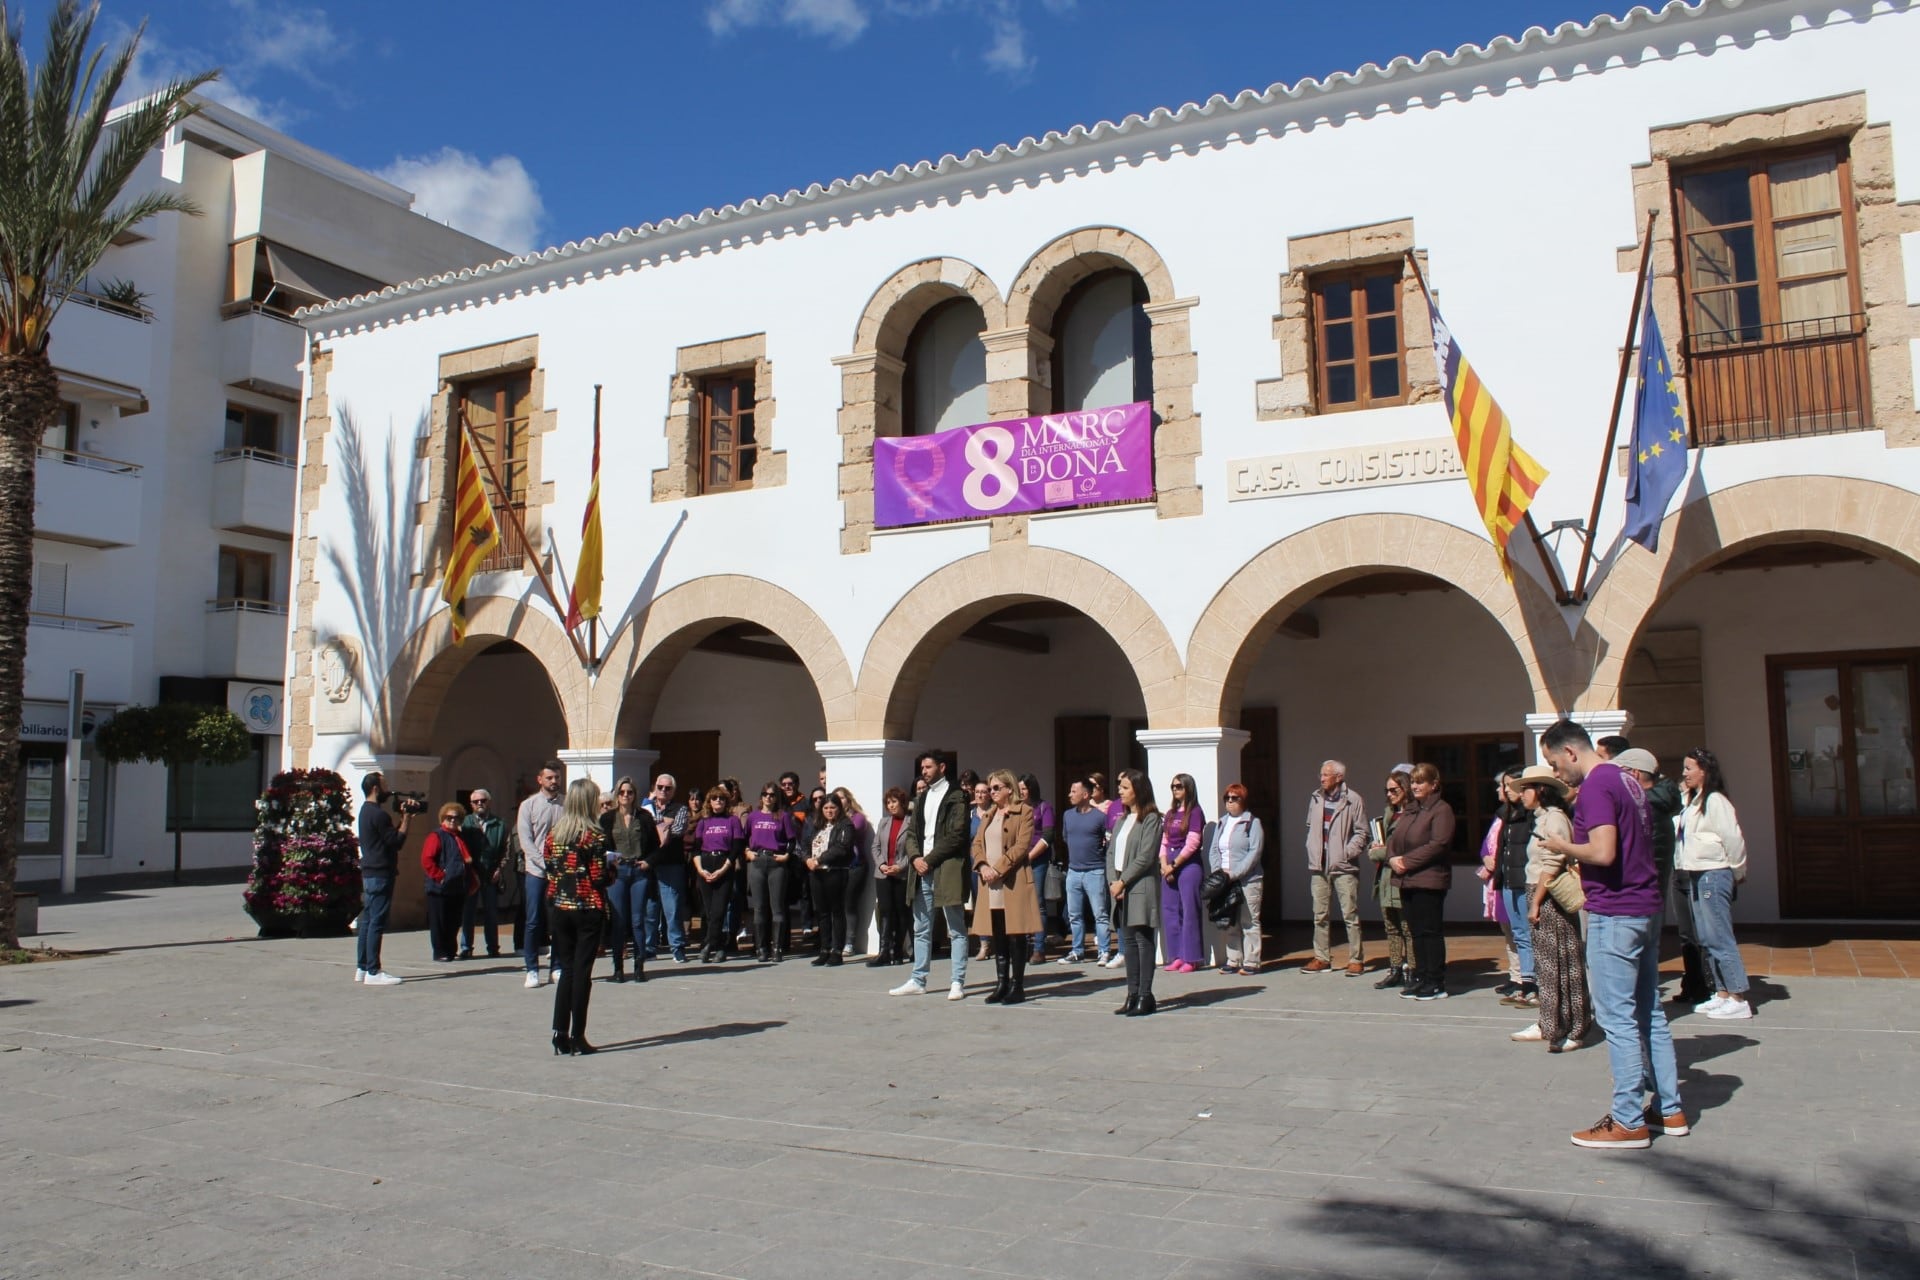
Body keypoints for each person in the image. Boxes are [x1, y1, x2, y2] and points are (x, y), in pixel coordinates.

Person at [1538, 719, 1686, 1149]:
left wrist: (1562, 847)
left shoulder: (1599, 785)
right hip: (1643, 907)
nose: (1556, 774)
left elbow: (1602, 851)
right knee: (1649, 1013)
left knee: (1617, 1019)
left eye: (1553, 763)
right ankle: (1668, 1109)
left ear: (1570, 752)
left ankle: (1627, 1119)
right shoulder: (1627, 780)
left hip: (1615, 913)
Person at [1613, 747, 1702, 1005]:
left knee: (1637, 952)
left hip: (1640, 890)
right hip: (1652, 890)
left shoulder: (1645, 807)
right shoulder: (1659, 804)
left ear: (1636, 774)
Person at [1513, 764, 1588, 1051]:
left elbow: (1553, 863)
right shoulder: (1542, 818)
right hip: (1540, 891)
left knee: (1560, 963)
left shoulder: (1554, 819)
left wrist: (1535, 902)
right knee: (1550, 965)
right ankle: (1551, 1021)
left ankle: (1570, 1025)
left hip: (1549, 895)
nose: (1521, 794)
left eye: (1526, 789)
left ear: (1541, 790)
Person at [1677, 747, 1753, 1021]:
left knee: (1719, 935)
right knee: (1706, 937)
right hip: (1696, 872)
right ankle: (1721, 993)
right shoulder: (1692, 800)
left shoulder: (1716, 801)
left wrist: (1737, 869)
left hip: (1714, 871)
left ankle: (1738, 995)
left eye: (1689, 768)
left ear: (1704, 771)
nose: (1684, 773)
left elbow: (1733, 839)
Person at [892, 752, 971, 1000]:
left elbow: (957, 835)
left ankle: (957, 981)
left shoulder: (957, 796)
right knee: (921, 927)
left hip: (945, 867)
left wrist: (929, 860)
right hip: (922, 870)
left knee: (955, 927)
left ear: (942, 767)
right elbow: (912, 833)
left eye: (928, 766)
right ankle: (918, 978)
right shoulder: (922, 797)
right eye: (922, 767)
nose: (924, 771)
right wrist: (915, 858)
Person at [545, 778, 615, 1055]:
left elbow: (551, 870)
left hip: (561, 907)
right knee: (582, 973)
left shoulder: (555, 834)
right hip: (587, 907)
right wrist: (613, 869)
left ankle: (559, 1032)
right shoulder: (594, 836)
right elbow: (599, 877)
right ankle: (578, 1035)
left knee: (566, 970)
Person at [970, 769, 1039, 1004]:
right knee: (998, 933)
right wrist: (982, 866)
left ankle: (1017, 986)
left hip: (1011, 881)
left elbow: (1021, 846)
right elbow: (977, 843)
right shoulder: (988, 815)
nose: (992, 792)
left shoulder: (1025, 812)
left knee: (1016, 934)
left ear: (1010, 789)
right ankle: (1002, 983)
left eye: (997, 788)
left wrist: (998, 869)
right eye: (990, 788)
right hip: (990, 882)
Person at [1388, 762, 1455, 1000]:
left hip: (1429, 879)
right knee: (1415, 932)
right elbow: (1394, 838)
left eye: (1420, 782)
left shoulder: (1441, 810)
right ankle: (1421, 977)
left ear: (1433, 784)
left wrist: (1406, 861)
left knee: (1430, 932)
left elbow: (1438, 844)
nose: (1415, 786)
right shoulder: (1411, 809)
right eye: (1413, 781)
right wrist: (1393, 858)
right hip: (1407, 880)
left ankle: (1435, 982)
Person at [1109, 769, 1166, 1016]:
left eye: (1124, 787)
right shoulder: (1121, 820)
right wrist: (1113, 880)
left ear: (1138, 790)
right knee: (1128, 942)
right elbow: (1111, 853)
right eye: (1119, 787)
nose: (1119, 791)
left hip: (1139, 885)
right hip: (1120, 885)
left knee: (1143, 941)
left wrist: (1123, 881)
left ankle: (1145, 994)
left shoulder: (1151, 818)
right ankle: (1131, 994)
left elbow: (1145, 856)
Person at [1303, 760, 1367, 975]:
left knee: (1350, 914)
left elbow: (1362, 833)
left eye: (1326, 774)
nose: (1322, 778)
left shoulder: (1353, 800)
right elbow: (1310, 826)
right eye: (1321, 774)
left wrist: (1345, 854)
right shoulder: (1316, 798)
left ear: (1339, 777)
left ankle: (1356, 959)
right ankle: (1321, 957)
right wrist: (1312, 849)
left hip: (1343, 867)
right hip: (1318, 866)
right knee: (1319, 915)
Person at [354, 771, 413, 986]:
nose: (389, 790)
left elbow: (386, 838)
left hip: (369, 872)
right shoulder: (379, 815)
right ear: (376, 789)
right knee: (376, 922)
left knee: (368, 921)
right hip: (380, 873)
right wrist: (406, 818)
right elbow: (396, 841)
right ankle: (373, 970)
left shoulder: (365, 811)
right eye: (385, 785)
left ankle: (362, 967)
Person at [601, 776, 659, 983]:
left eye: (630, 792)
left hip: (638, 871)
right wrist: (608, 861)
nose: (626, 796)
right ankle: (618, 967)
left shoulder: (643, 817)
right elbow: (601, 845)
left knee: (637, 920)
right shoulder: (607, 818)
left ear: (635, 795)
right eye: (622, 792)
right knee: (618, 921)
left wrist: (648, 862)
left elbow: (655, 845)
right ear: (617, 795)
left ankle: (639, 965)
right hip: (617, 872)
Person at [1488, 768, 1537, 1007]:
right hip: (1508, 880)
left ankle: (1534, 984)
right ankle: (1524, 984)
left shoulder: (1532, 816)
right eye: (1504, 785)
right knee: (1519, 934)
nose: (1505, 789)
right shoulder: (1507, 815)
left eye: (1509, 785)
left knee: (1529, 934)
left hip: (1525, 881)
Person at [1209, 783, 1266, 975]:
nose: (1230, 802)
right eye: (1227, 798)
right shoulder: (1222, 823)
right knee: (1230, 920)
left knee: (1249, 919)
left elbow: (1254, 852)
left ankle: (1252, 961)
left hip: (1248, 880)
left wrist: (1234, 874)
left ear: (1243, 801)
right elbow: (1214, 849)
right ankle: (1233, 959)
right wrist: (1219, 873)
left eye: (1235, 798)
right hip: (1225, 880)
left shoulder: (1252, 823)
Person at [517, 761, 565, 988]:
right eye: (549, 778)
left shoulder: (566, 804)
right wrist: (544, 863)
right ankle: (532, 969)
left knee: (558, 921)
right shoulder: (528, 806)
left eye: (556, 777)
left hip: (561, 872)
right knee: (534, 920)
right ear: (540, 780)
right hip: (536, 872)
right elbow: (526, 841)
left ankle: (556, 966)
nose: (554, 782)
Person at [1058, 778, 1112, 966]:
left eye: (1074, 791)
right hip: (1073, 871)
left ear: (1085, 795)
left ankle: (1104, 951)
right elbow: (1066, 837)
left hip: (1095, 871)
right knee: (1074, 914)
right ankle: (1077, 951)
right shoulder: (1067, 815)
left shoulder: (1099, 817)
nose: (1070, 794)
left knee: (1100, 914)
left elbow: (1107, 841)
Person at [1367, 770, 1413, 989]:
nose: (1390, 794)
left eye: (1394, 790)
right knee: (1391, 927)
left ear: (1405, 789)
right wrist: (1377, 850)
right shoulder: (1388, 814)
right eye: (1387, 790)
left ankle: (1412, 970)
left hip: (1403, 877)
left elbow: (1404, 849)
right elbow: (1379, 844)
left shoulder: (1411, 815)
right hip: (1385, 877)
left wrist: (1379, 852)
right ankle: (1395, 968)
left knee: (1407, 926)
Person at [1159, 773, 1207, 972]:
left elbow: (1193, 842)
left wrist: (1174, 864)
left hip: (1187, 864)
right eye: (1173, 786)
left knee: (1189, 910)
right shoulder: (1170, 813)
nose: (1175, 789)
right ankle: (1176, 955)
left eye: (1179, 786)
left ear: (1188, 788)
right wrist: (1163, 864)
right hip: (1169, 862)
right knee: (1170, 910)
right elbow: (1164, 841)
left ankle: (1192, 957)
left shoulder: (1195, 812)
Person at [641, 774, 692, 964]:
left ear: (673, 791)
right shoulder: (645, 808)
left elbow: (678, 831)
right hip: (650, 864)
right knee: (650, 909)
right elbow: (642, 830)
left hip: (672, 864)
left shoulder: (680, 808)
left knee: (672, 909)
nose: (663, 791)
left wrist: (658, 823)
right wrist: (664, 823)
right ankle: (649, 948)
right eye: (660, 787)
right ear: (654, 787)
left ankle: (677, 948)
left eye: (667, 788)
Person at [745, 782, 797, 962]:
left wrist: (787, 856)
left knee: (777, 907)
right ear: (761, 796)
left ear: (777, 798)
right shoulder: (753, 817)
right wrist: (747, 852)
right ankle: (761, 948)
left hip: (776, 862)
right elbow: (744, 839)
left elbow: (792, 840)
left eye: (772, 795)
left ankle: (777, 948)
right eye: (765, 794)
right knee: (759, 908)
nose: (769, 797)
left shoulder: (782, 816)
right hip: (758, 861)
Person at [692, 786, 744, 963]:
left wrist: (724, 869)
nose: (718, 802)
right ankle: (719, 946)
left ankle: (708, 945)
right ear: (710, 802)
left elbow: (736, 848)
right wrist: (700, 869)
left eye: (721, 799)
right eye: (714, 798)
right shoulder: (703, 822)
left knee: (720, 909)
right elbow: (696, 849)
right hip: (705, 864)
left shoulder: (733, 821)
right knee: (709, 911)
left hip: (724, 864)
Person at [804, 792, 857, 964]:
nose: (829, 811)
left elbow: (842, 848)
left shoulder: (845, 825)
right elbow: (805, 844)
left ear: (839, 808)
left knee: (836, 911)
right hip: (816, 873)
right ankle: (824, 949)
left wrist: (819, 859)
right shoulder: (817, 825)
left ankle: (837, 950)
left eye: (833, 808)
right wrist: (807, 860)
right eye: (826, 808)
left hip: (835, 871)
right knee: (822, 912)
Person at [421, 803, 474, 963]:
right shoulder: (436, 836)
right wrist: (440, 876)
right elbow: (427, 859)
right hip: (440, 887)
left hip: (457, 887)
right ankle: (440, 951)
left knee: (453, 921)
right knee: (439, 922)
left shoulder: (460, 837)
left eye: (456, 818)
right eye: (449, 817)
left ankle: (450, 950)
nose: (452, 820)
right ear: (443, 818)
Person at [457, 789, 508, 959]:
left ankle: (493, 947)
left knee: (491, 912)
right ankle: (466, 947)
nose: (480, 803)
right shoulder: (465, 823)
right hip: (471, 874)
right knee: (468, 912)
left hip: (490, 873)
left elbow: (505, 850)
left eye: (483, 800)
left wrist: (499, 869)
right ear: (471, 804)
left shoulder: (499, 824)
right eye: (476, 801)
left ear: (489, 802)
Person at [869, 787, 914, 966]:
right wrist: (882, 865)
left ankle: (898, 951)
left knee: (901, 912)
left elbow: (913, 850)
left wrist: (899, 866)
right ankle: (884, 951)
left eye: (894, 802)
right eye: (888, 802)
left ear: (902, 803)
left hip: (901, 874)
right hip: (883, 874)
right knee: (886, 912)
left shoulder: (911, 823)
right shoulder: (883, 822)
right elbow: (875, 846)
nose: (891, 805)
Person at [1017, 773, 1056, 962]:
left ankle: (1039, 949)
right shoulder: (1017, 808)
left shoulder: (1044, 807)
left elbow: (1048, 835)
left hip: (1037, 861)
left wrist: (1030, 856)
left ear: (1031, 788)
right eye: (1019, 789)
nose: (1021, 792)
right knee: (1021, 905)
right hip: (1018, 861)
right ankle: (1023, 947)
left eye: (1023, 788)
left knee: (1038, 904)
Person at [833, 787, 871, 958]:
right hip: (837, 867)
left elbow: (849, 836)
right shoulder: (832, 817)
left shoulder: (858, 818)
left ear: (848, 799)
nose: (839, 801)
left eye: (841, 798)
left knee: (850, 904)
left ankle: (850, 942)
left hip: (855, 865)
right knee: (837, 905)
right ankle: (837, 941)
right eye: (836, 799)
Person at [967, 778, 996, 961]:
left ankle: (999, 941)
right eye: (977, 792)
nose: (980, 795)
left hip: (993, 862)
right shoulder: (969, 815)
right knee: (980, 905)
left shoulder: (995, 813)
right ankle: (984, 944)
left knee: (997, 903)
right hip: (975, 864)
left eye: (983, 791)